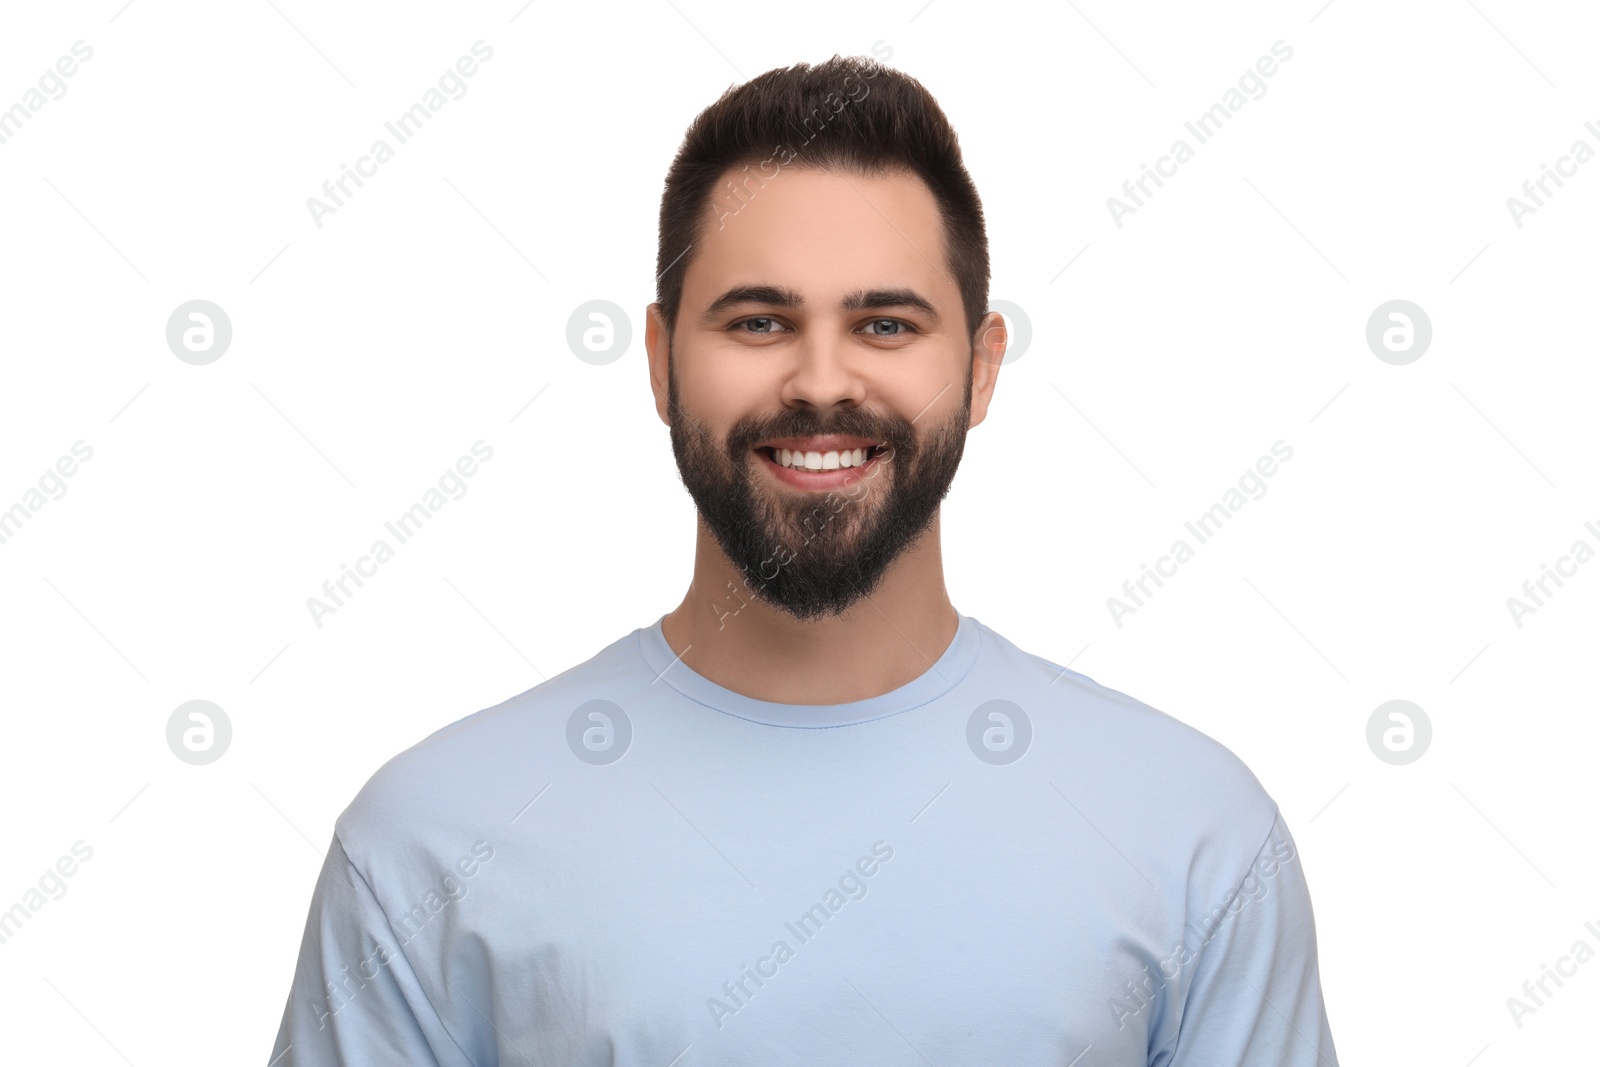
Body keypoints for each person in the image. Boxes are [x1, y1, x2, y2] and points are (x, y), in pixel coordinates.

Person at [269, 54, 1339, 1065]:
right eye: (758, 320)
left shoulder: (1195, 832)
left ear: (979, 367)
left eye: (884, 323)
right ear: (658, 362)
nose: (821, 382)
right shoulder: (430, 840)